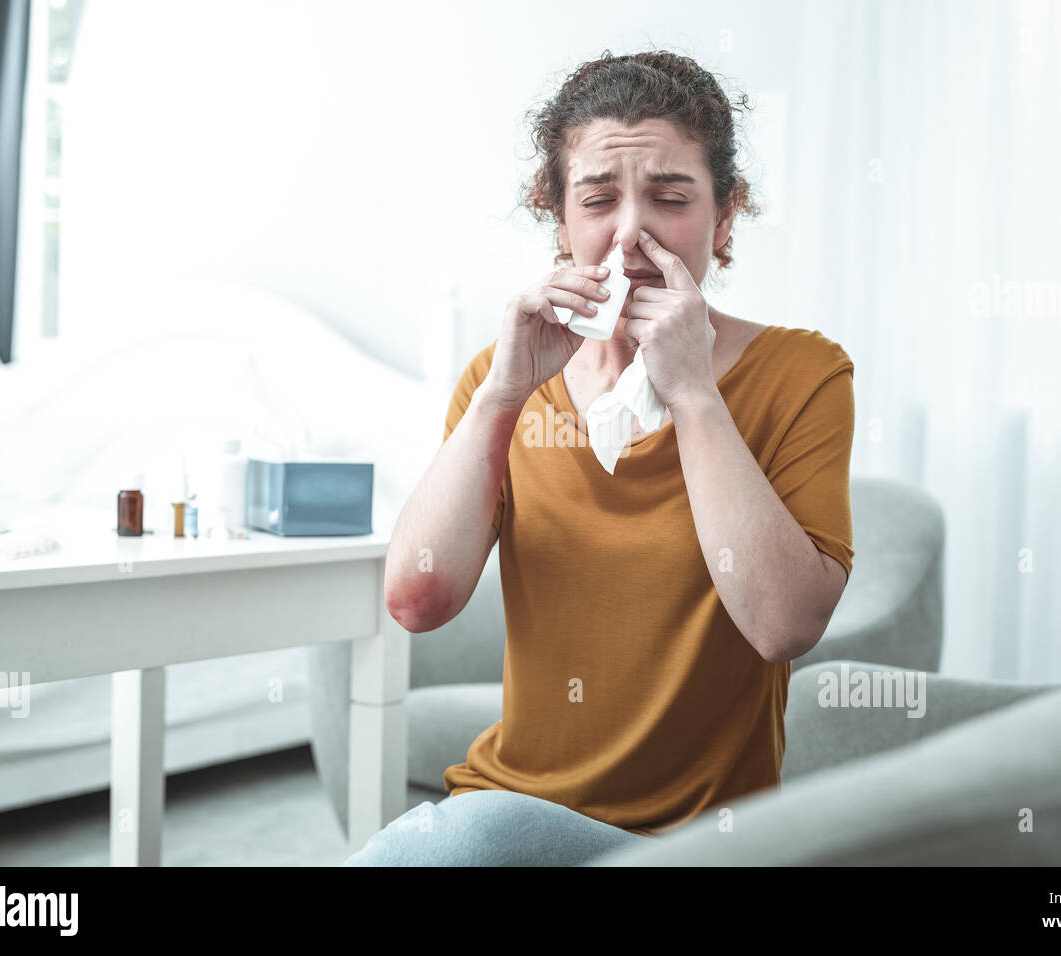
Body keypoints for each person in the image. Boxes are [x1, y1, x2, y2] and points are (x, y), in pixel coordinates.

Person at [345, 49, 854, 867]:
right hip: (509, 807)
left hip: (695, 844)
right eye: (597, 201)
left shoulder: (802, 373)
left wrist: (692, 392)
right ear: (560, 222)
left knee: (462, 841)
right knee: (469, 834)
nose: (629, 233)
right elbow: (417, 600)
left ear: (726, 218)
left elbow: (783, 623)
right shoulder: (502, 381)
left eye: (671, 197)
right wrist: (500, 400)